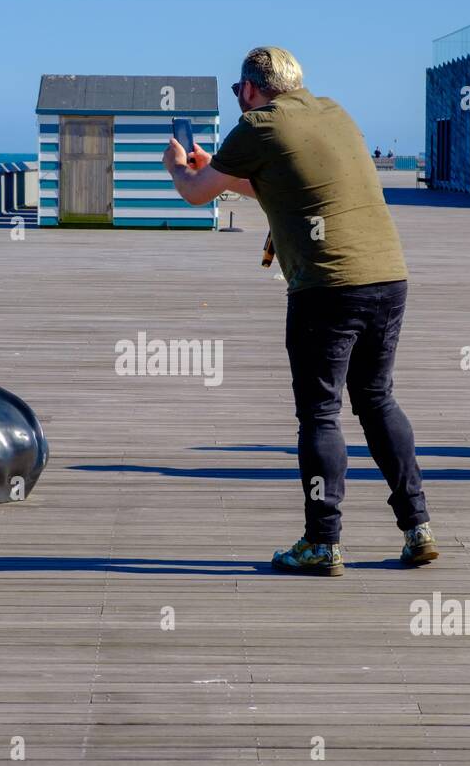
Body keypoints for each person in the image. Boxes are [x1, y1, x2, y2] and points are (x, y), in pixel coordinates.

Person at [161, 46, 437, 575]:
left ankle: (322, 542)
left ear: (249, 89)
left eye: (237, 91)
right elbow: (280, 182)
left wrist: (179, 165)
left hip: (327, 287)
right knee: (377, 400)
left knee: (320, 413)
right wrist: (218, 170)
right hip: (387, 276)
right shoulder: (333, 111)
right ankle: (417, 527)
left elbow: (197, 195)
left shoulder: (257, 124)